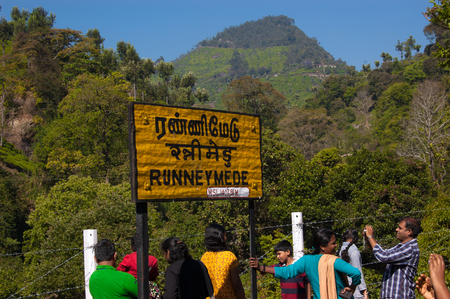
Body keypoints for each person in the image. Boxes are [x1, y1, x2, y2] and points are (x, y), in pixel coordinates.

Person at [250, 228, 361, 299]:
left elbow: (287, 272)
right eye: (333, 243)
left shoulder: (307, 260)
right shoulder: (334, 261)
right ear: (322, 246)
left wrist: (261, 267)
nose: (336, 245)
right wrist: (352, 287)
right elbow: (356, 273)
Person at [364, 217, 421, 299]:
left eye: (400, 228)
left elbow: (384, 257)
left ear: (409, 232)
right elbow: (380, 254)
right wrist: (368, 239)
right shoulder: (401, 247)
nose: (396, 229)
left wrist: (370, 236)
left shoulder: (410, 249)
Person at [200, 224, 246, 299]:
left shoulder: (204, 257)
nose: (226, 238)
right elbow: (237, 285)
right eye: (224, 235)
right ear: (220, 238)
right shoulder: (229, 256)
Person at [338, 229, 367, 299]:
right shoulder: (354, 251)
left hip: (343, 289)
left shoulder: (339, 250)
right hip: (355, 290)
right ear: (355, 239)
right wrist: (364, 291)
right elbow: (358, 271)